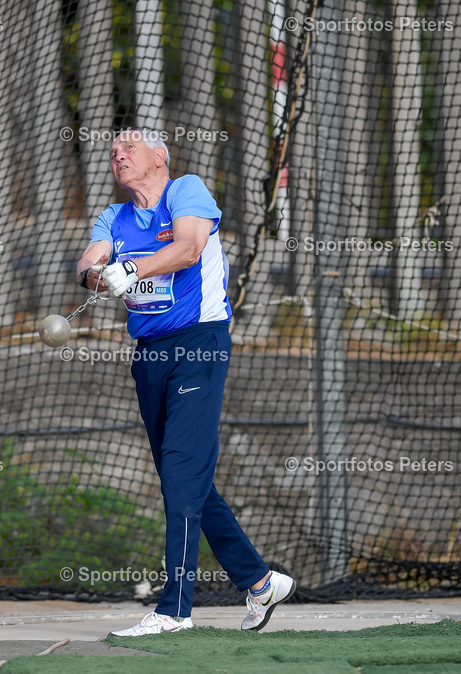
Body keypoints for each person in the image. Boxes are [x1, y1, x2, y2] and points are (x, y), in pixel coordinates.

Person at [76, 129, 295, 636]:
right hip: (149, 356)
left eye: (129, 147)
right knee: (189, 480)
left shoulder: (186, 190)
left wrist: (129, 270)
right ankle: (260, 582)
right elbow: (90, 258)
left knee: (179, 473)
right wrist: (94, 275)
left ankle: (174, 610)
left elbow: (189, 249)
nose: (119, 155)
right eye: (113, 152)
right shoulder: (115, 216)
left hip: (199, 344)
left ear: (160, 157)